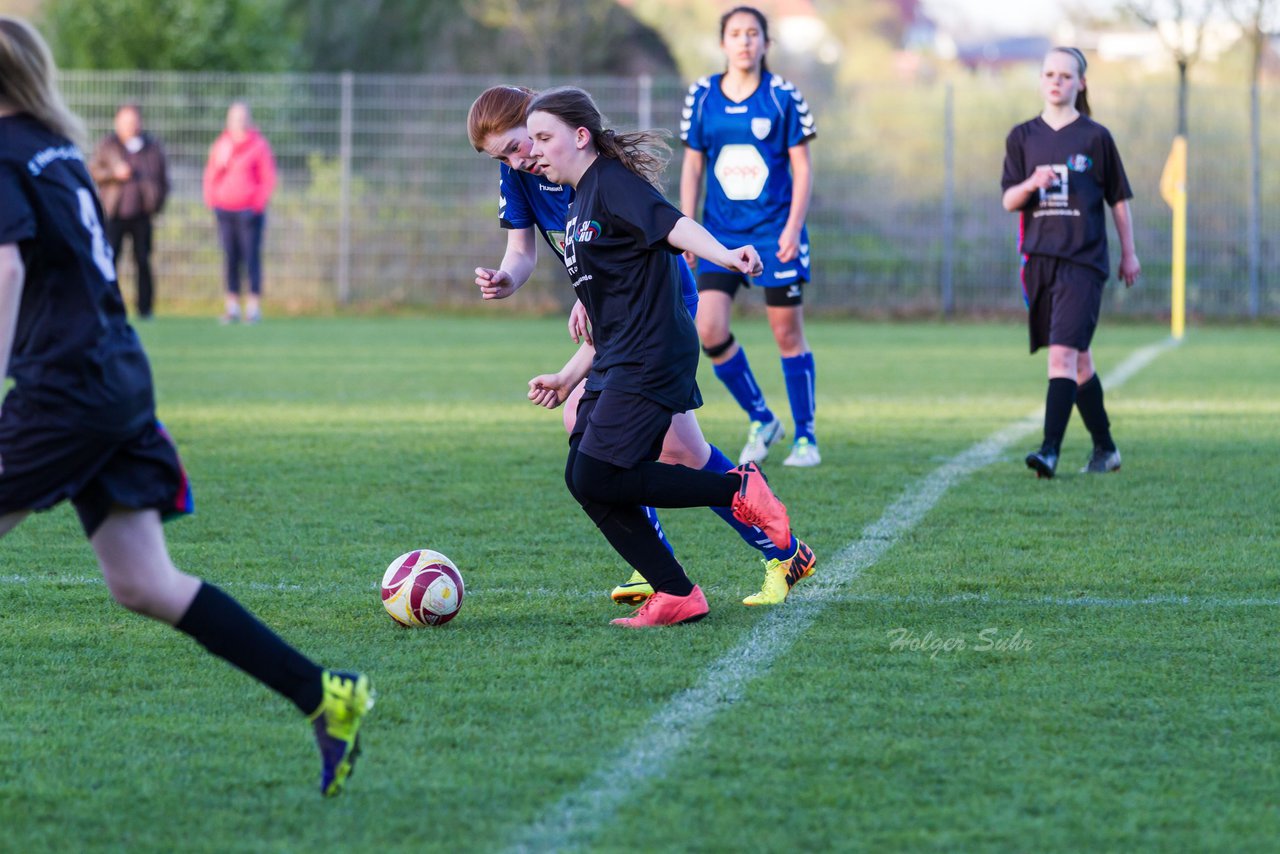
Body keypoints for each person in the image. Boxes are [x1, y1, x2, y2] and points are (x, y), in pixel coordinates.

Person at [0, 16, 370, 796]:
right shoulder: (55, 146)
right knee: (143, 583)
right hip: (113, 378)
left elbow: (5, 271)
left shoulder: (8, 151)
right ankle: (325, 696)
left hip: (66, 390)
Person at [467, 85, 815, 608]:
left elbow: (664, 227)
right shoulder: (526, 171)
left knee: (660, 453)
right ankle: (660, 562)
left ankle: (776, 551)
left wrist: (722, 255)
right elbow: (525, 251)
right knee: (603, 437)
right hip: (616, 315)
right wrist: (511, 280)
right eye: (507, 156)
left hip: (653, 307)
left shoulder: (593, 171)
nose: (521, 160)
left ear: (551, 128)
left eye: (525, 144)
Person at [680, 5, 820, 468]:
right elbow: (694, 165)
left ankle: (805, 437)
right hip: (720, 234)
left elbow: (801, 166)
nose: (744, 41)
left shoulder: (782, 96)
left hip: (772, 232)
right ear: (723, 42)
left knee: (786, 333)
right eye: (736, 33)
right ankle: (762, 417)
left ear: (765, 43)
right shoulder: (701, 96)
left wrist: (793, 227)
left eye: (753, 34)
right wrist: (686, 229)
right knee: (709, 328)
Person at [1001, 46, 1140, 478]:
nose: (1056, 81)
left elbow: (1118, 200)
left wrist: (1129, 252)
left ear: (1080, 83)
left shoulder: (1095, 137)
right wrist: (1032, 183)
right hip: (1040, 261)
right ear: (1041, 81)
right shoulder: (1022, 137)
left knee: (1061, 355)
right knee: (1079, 361)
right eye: (1049, 74)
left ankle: (1049, 451)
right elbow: (1009, 200)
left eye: (1065, 75)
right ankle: (1105, 450)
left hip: (1084, 262)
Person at [89, 102, 168, 319]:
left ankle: (145, 309)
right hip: (113, 214)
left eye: (134, 121)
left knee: (143, 262)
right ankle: (107, 307)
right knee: (109, 262)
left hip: (142, 215)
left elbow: (162, 178)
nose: (130, 126)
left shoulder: (151, 146)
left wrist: (157, 203)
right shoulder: (107, 145)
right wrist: (114, 173)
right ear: (117, 122)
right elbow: (93, 170)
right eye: (126, 122)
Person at [203, 101, 276, 324]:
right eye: (234, 118)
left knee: (251, 258)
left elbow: (268, 178)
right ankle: (232, 306)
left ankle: (253, 307)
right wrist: (212, 199)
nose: (238, 122)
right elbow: (211, 174)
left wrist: (256, 205)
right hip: (225, 211)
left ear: (248, 120)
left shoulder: (258, 146)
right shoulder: (222, 144)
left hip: (249, 212)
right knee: (230, 258)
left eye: (242, 117)